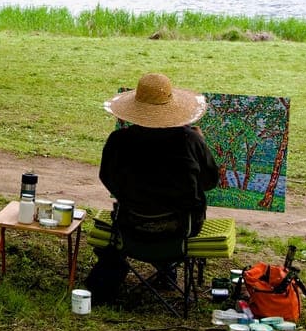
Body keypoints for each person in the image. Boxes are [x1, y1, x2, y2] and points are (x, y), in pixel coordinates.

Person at [84, 72, 219, 305]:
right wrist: (201, 143)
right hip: (180, 231)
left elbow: (107, 179)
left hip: (130, 227)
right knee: (178, 208)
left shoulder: (118, 141)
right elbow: (210, 182)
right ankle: (167, 269)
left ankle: (160, 269)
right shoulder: (191, 140)